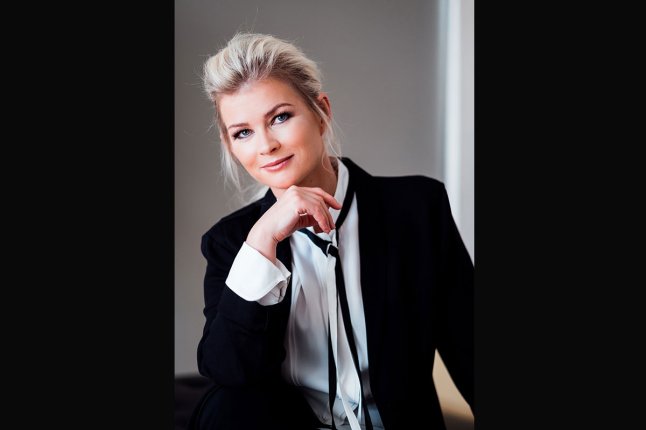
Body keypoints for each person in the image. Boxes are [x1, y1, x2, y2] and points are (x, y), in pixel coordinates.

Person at [189, 32, 473, 430]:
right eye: (243, 133)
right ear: (230, 145)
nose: (266, 145)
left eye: (280, 117)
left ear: (321, 112)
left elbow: (469, 345)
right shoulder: (230, 241)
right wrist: (261, 244)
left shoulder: (416, 209)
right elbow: (228, 373)